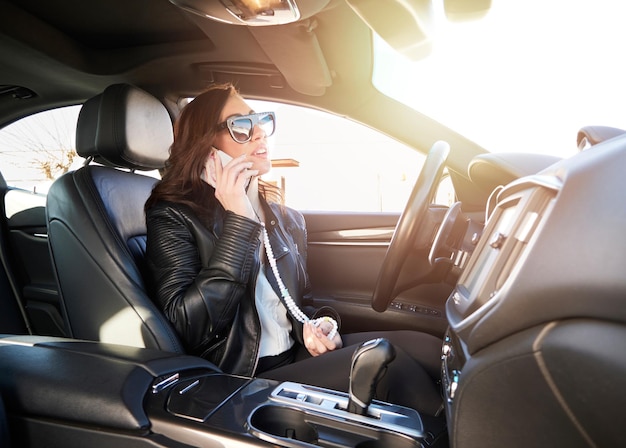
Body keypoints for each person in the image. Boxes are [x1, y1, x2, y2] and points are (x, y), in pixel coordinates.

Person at [144, 83, 443, 416]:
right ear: (207, 147)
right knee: (392, 365)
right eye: (241, 126)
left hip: (293, 357)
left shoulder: (285, 218)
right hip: (241, 377)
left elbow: (304, 302)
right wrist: (239, 220)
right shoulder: (172, 214)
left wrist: (320, 325)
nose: (259, 133)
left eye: (260, 121)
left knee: (431, 349)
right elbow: (189, 327)